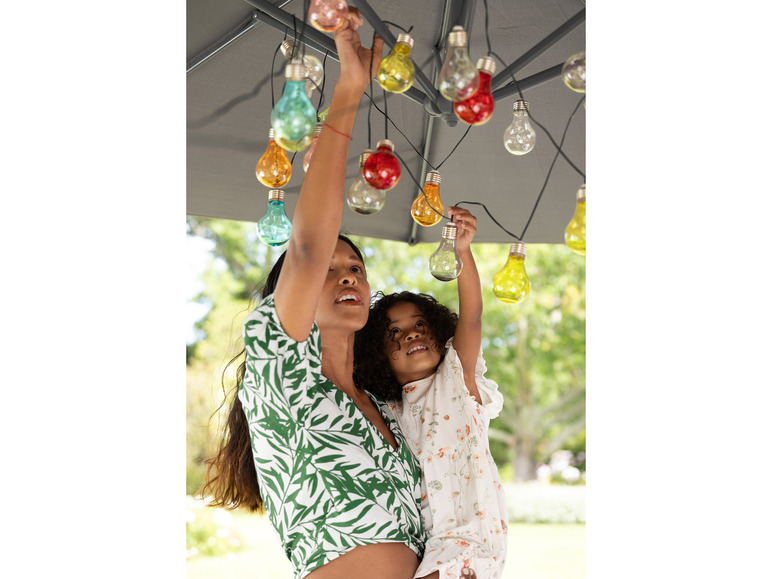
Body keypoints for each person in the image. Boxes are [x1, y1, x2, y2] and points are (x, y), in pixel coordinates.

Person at [199, 10, 427, 579]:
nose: (347, 276)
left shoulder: (385, 406)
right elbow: (305, 246)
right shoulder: (282, 374)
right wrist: (350, 86)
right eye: (330, 268)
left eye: (356, 267)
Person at [354, 207, 508, 579]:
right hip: (426, 542)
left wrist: (463, 251)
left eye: (420, 324)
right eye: (394, 332)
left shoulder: (456, 378)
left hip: (471, 538)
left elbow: (472, 317)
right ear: (378, 356)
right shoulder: (387, 410)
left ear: (438, 333)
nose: (411, 333)